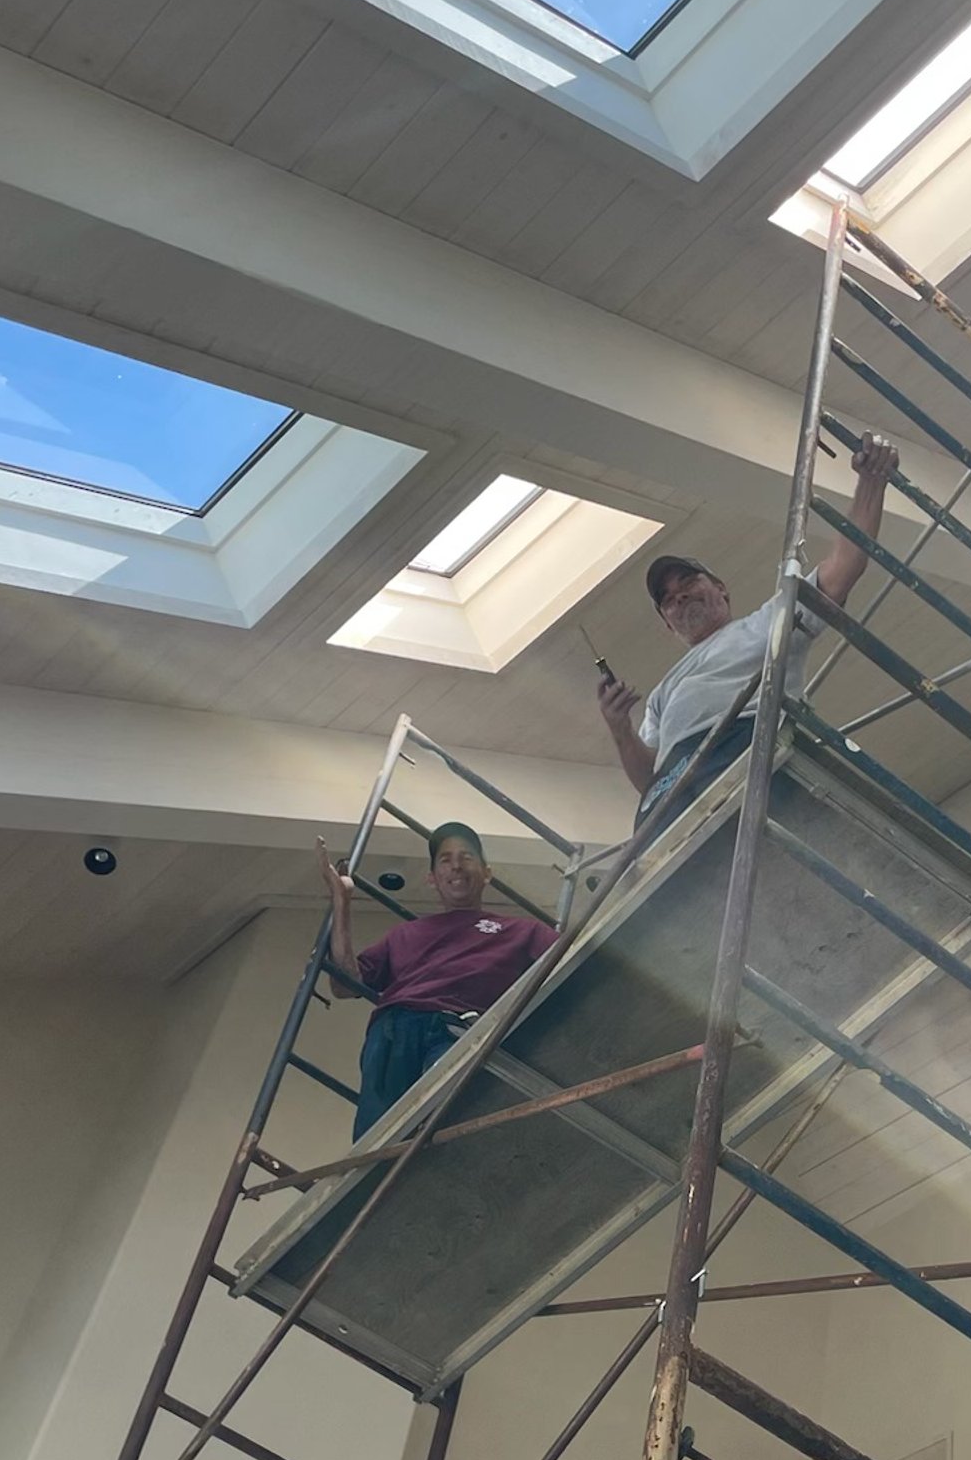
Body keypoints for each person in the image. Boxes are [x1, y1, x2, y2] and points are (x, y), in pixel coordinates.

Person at [596, 430, 901, 822]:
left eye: (688, 583)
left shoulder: (766, 622)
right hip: (675, 795)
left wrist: (872, 483)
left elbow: (843, 569)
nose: (680, 597)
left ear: (721, 590)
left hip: (745, 749)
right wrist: (621, 729)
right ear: (668, 625)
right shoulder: (661, 695)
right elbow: (649, 779)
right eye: (668, 600)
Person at [317, 821, 556, 1138]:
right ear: (432, 878)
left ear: (487, 873)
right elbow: (344, 986)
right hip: (392, 1031)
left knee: (448, 1120)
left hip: (457, 1028)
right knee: (377, 1139)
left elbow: (577, 959)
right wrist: (342, 902)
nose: (456, 865)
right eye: (445, 859)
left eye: (467, 856)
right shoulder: (405, 934)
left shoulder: (522, 930)